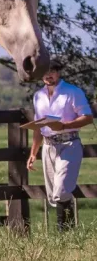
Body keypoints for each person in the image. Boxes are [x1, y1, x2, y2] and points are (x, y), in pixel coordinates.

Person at [26, 59, 93, 231]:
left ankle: (64, 230)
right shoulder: (38, 96)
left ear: (58, 72)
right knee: (53, 196)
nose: (48, 75)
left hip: (69, 143)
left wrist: (64, 126)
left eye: (52, 71)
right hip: (48, 147)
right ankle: (67, 232)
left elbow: (87, 116)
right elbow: (38, 126)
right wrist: (33, 153)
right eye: (45, 72)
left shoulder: (72, 92)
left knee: (61, 191)